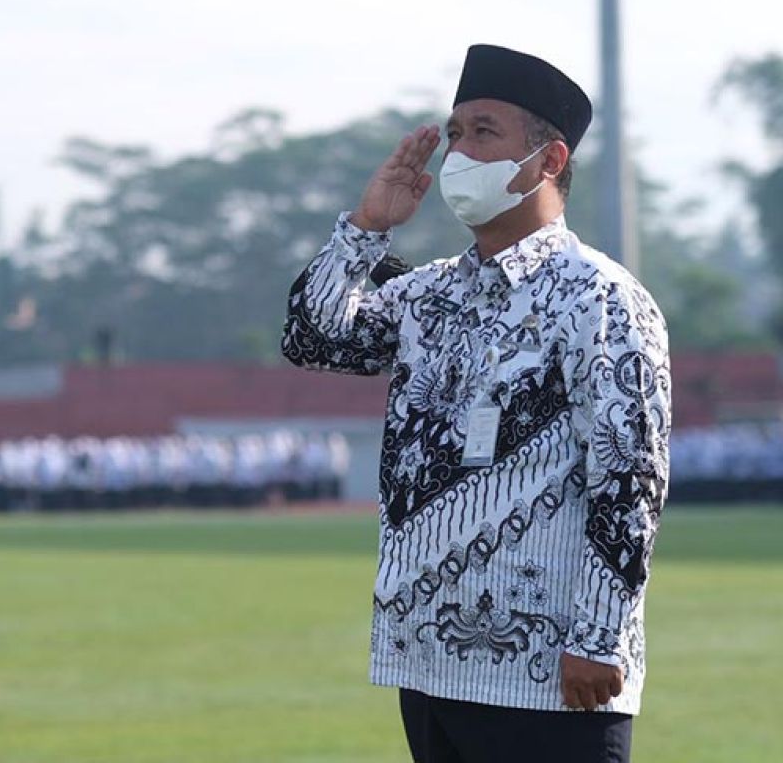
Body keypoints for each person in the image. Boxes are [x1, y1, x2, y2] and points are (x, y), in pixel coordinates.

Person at [281, 44, 671, 763]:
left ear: (548, 161)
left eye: (483, 132)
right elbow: (314, 337)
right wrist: (368, 227)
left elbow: (629, 474)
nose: (457, 151)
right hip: (427, 663)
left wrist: (598, 636)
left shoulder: (600, 298)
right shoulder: (432, 294)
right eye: (454, 133)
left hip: (549, 675)